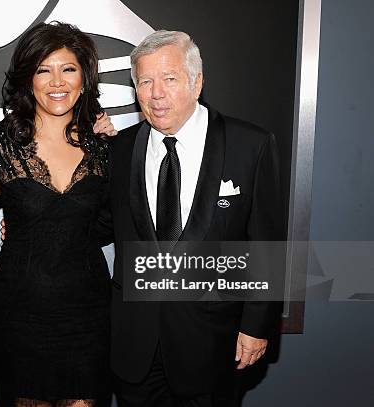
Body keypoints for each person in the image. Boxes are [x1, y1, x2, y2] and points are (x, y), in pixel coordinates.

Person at [106, 31, 282, 406]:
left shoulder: (250, 145)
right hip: (136, 344)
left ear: (196, 81)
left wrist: (256, 326)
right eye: (145, 82)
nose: (156, 94)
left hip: (213, 343)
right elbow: (102, 224)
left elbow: (267, 245)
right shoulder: (120, 149)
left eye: (169, 79)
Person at [0, 22, 112, 407]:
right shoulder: (0, 144)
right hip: (19, 315)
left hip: (88, 316)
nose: (57, 81)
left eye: (69, 69)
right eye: (44, 69)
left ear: (84, 78)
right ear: (29, 78)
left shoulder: (104, 146)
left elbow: (116, 222)